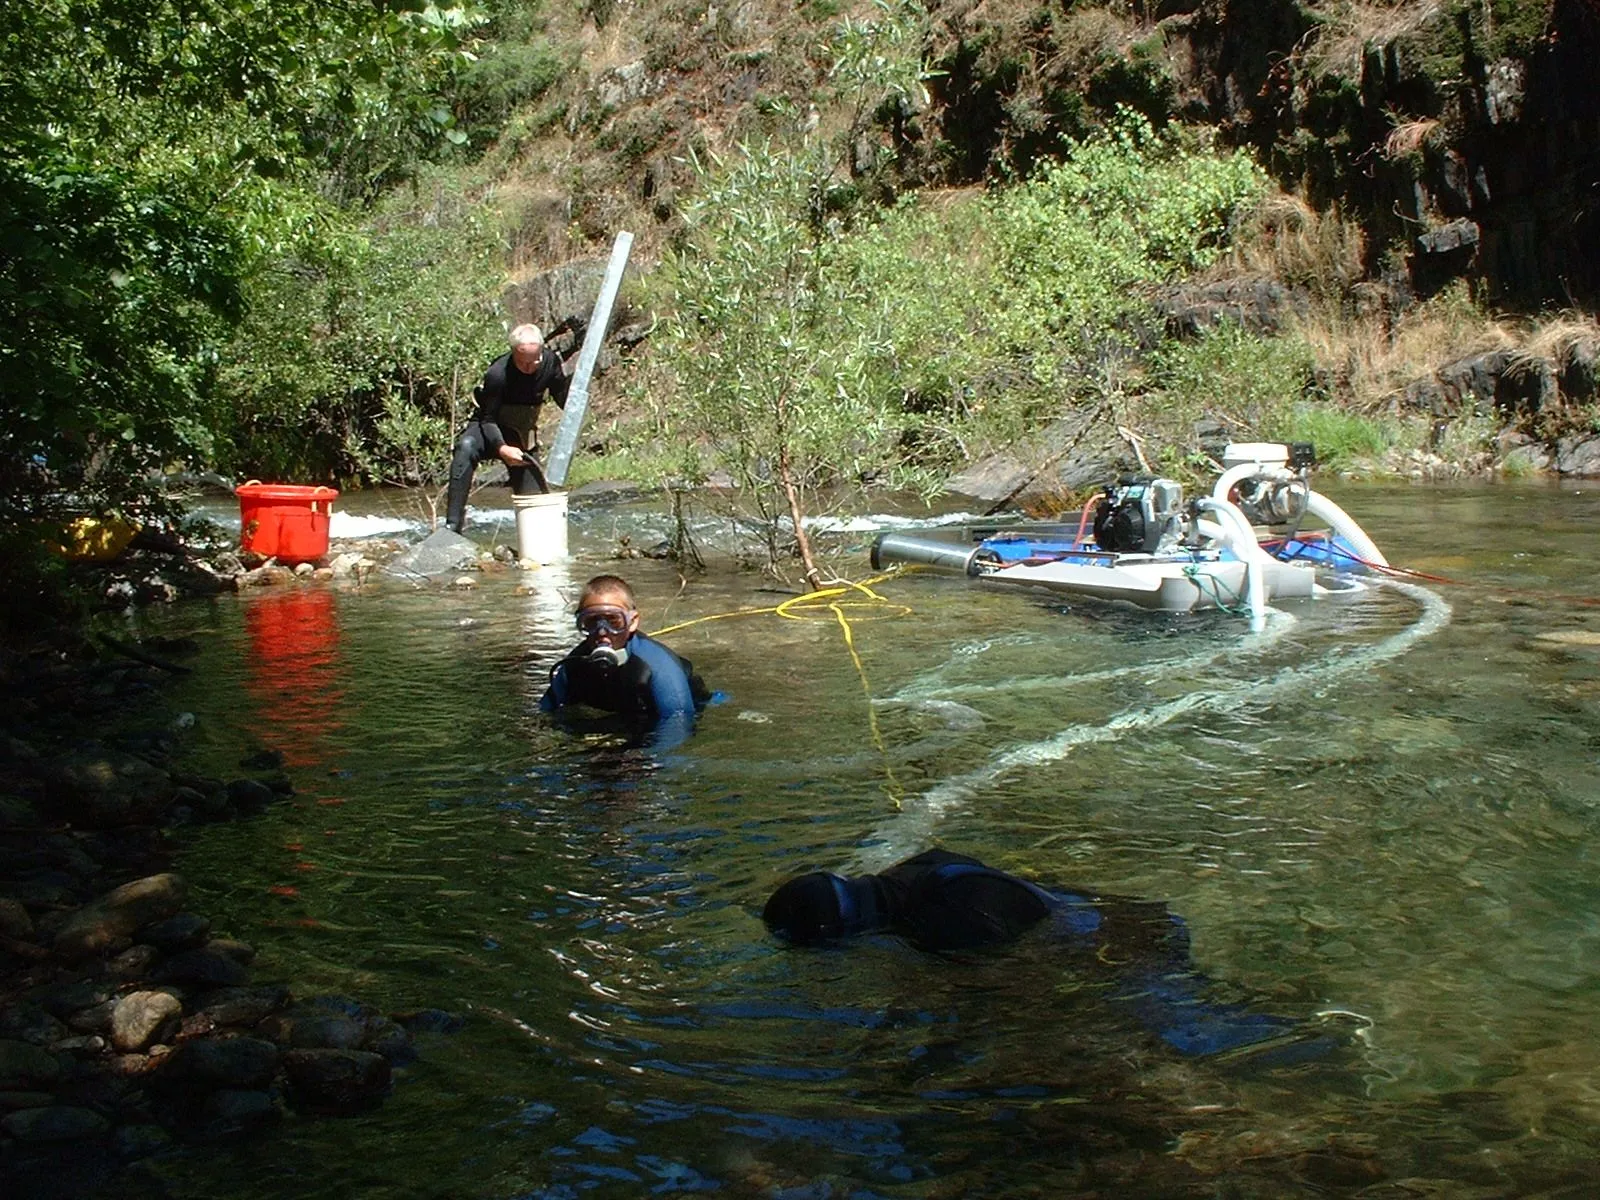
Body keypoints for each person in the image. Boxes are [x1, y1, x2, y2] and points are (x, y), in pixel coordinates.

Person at [763, 848, 1346, 1064]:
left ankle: (1307, 1045)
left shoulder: (943, 924)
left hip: (1117, 946)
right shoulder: (914, 871)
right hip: (1129, 917)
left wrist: (888, 1067)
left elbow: (967, 1010)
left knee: (1181, 1024)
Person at [540, 575, 713, 748]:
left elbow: (679, 726)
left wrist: (644, 761)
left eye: (614, 621)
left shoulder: (659, 667)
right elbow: (546, 713)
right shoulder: (572, 667)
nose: (602, 632)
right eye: (591, 621)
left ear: (632, 622)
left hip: (678, 711)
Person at [446, 324, 573, 534]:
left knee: (535, 508)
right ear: (514, 353)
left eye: (535, 361)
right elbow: (488, 419)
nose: (530, 367)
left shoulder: (550, 362)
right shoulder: (497, 373)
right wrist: (502, 448)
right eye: (523, 363)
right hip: (489, 429)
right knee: (465, 447)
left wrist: (577, 410)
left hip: (521, 434)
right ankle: (452, 526)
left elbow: (562, 396)